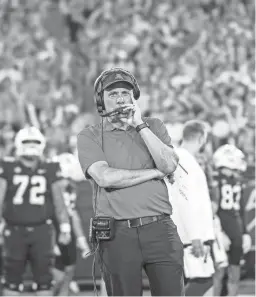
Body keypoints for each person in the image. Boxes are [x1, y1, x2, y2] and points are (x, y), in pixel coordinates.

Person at [77, 68, 184, 296]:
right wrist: (154, 173)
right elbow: (105, 177)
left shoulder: (153, 126)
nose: (119, 99)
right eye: (112, 94)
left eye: (125, 93)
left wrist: (139, 125)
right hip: (118, 234)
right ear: (101, 101)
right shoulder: (90, 135)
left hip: (160, 228)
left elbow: (170, 165)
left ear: (134, 97)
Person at [0, 126, 71, 296]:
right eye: (27, 141)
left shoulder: (50, 167)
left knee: (44, 281)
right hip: (14, 230)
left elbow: (58, 201)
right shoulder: (7, 166)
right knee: (12, 279)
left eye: (35, 142)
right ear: (18, 144)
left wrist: (65, 227)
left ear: (42, 144)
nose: (31, 145)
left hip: (42, 231)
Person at [167, 120, 216, 296]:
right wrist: (196, 236)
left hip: (186, 233)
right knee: (203, 280)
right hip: (189, 235)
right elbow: (186, 201)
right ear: (202, 138)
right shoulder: (184, 160)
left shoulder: (181, 157)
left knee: (192, 281)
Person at [212, 144, 252, 296]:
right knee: (219, 271)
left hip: (236, 229)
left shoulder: (237, 182)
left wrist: (245, 232)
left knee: (234, 273)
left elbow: (241, 209)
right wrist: (219, 232)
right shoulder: (215, 181)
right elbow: (212, 211)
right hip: (222, 228)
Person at [52, 153, 90, 296]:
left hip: (66, 230)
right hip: (54, 229)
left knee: (69, 268)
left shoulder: (72, 186)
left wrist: (80, 238)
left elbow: (72, 213)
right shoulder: (54, 185)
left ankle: (63, 291)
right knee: (58, 273)